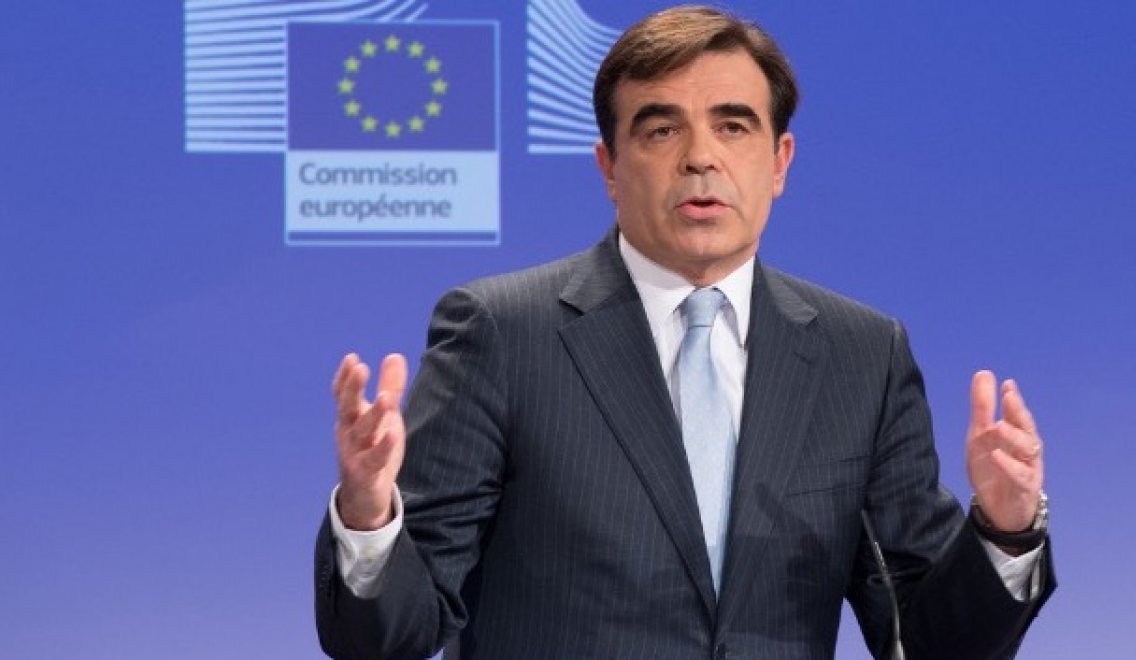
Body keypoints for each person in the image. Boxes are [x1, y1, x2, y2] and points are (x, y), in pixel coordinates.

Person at [315, 5, 1054, 659]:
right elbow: (391, 637)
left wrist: (1004, 530)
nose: (700, 157)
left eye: (733, 126)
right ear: (609, 167)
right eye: (662, 128)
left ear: (779, 162)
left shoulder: (862, 355)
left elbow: (929, 640)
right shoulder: (504, 334)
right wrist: (369, 515)